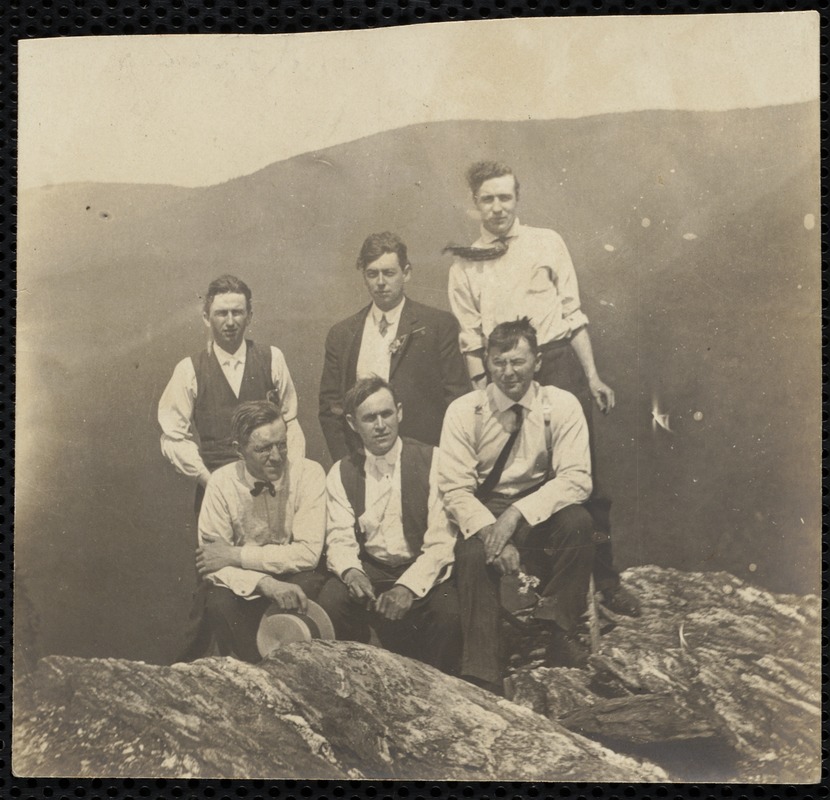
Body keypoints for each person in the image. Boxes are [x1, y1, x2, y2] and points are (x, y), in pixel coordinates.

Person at [445, 161, 638, 617]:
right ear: (475, 204)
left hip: (556, 363)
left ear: (517, 198)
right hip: (505, 371)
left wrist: (590, 375)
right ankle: (538, 590)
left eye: (505, 197)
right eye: (487, 199)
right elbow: (471, 339)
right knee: (513, 475)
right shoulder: (464, 265)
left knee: (584, 482)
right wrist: (484, 391)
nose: (497, 208)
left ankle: (605, 582)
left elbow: (573, 314)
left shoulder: (547, 242)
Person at [437, 319, 595, 692]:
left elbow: (577, 478)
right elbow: (456, 490)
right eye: (498, 362)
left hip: (538, 506)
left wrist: (516, 515)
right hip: (484, 508)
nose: (508, 373)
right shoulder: (464, 411)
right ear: (487, 363)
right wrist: (494, 529)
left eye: (518, 362)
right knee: (474, 553)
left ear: (537, 361)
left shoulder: (561, 404)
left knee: (579, 522)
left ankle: (559, 632)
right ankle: (482, 669)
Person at [318, 376, 460, 674]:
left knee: (449, 613)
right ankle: (358, 680)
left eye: (386, 414)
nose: (380, 425)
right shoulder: (341, 473)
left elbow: (440, 541)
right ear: (353, 424)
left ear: (400, 412)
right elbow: (340, 538)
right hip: (373, 571)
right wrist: (351, 571)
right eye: (369, 418)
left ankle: (438, 691)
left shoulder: (431, 460)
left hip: (422, 570)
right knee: (332, 600)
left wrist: (408, 587)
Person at [158, 274, 305, 515]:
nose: (230, 321)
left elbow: (291, 422)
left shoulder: (272, 358)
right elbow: (173, 439)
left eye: (237, 313)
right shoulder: (189, 370)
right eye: (221, 313)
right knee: (216, 554)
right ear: (207, 318)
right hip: (217, 494)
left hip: (272, 491)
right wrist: (210, 482)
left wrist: (288, 478)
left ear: (249, 316)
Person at [319, 232, 470, 462]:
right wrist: (346, 464)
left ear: (406, 273)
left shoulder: (438, 325)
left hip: (426, 460)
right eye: (372, 274)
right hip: (362, 463)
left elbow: (458, 401)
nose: (380, 282)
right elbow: (331, 409)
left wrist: (444, 460)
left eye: (389, 273)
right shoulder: (342, 334)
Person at [194, 400, 326, 663]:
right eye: (263, 449)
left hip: (297, 577)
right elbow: (213, 562)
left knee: (317, 587)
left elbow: (309, 553)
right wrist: (265, 584)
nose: (276, 457)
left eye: (282, 444)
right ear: (239, 450)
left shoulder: (310, 473)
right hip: (246, 586)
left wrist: (235, 555)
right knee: (218, 603)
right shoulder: (220, 484)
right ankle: (262, 673)